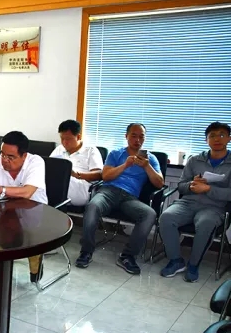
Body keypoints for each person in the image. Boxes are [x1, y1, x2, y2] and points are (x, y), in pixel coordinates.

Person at [75, 123, 164, 274]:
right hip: (108, 192)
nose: (137, 140)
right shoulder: (116, 153)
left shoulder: (151, 159)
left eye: (141, 136)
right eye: (134, 136)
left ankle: (128, 256)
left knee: (149, 214)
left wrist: (147, 166)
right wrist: (125, 165)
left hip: (130, 198)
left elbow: (160, 183)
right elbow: (105, 176)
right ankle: (86, 251)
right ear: (126, 136)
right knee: (93, 206)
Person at [159, 122, 231, 283]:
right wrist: (191, 185)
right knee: (166, 217)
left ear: (229, 138)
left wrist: (208, 189)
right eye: (212, 136)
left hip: (214, 207)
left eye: (221, 135)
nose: (217, 139)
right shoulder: (195, 160)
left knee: (206, 223)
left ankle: (193, 265)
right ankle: (176, 260)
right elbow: (181, 186)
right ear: (206, 140)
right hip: (188, 202)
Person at [0, 131, 48, 282]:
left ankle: (35, 267)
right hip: (3, 209)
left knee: (29, 240)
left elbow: (27, 192)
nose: (5, 160)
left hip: (32, 212)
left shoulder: (36, 162)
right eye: (3, 154)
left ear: (24, 155)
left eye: (11, 157)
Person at [50, 120, 104, 206]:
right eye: (62, 138)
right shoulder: (59, 149)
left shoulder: (91, 150)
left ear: (78, 137)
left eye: (68, 139)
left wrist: (76, 175)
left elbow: (99, 174)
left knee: (60, 182)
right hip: (60, 183)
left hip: (81, 187)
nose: (64, 142)